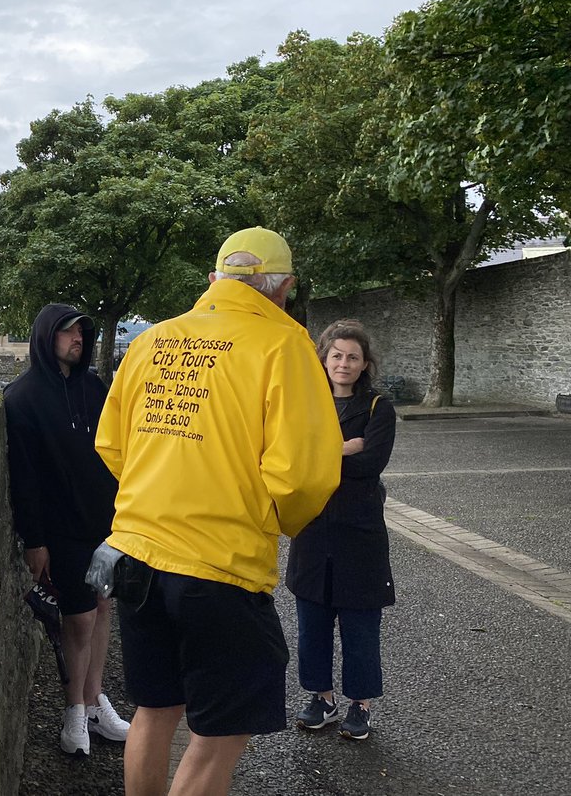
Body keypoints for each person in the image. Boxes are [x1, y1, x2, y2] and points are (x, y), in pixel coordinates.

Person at [94, 227, 342, 796]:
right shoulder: (283, 345)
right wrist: (274, 517)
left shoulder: (154, 340)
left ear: (213, 282)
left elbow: (111, 444)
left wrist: (157, 498)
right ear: (283, 290)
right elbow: (304, 473)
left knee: (154, 711)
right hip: (218, 566)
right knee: (221, 736)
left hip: (134, 554)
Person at [4, 303, 130, 757]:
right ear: (46, 336)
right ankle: (73, 711)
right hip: (61, 528)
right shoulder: (22, 397)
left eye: (82, 332)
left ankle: (96, 703)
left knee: (103, 606)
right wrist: (34, 541)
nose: (78, 339)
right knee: (77, 620)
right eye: (68, 332)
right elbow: (25, 476)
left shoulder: (94, 387)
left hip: (106, 522)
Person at [287, 319, 397, 741]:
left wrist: (322, 452)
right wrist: (346, 446)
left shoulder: (378, 408)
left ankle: (360, 705)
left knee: (360, 628)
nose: (344, 363)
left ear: (365, 363)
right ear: (324, 358)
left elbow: (371, 465)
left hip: (360, 534)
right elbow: (293, 458)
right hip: (313, 530)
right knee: (311, 624)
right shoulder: (305, 403)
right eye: (337, 355)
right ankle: (322, 698)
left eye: (353, 357)